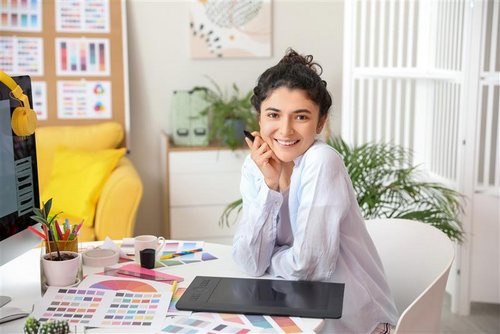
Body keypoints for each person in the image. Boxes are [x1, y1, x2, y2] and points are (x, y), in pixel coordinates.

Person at [232, 48, 399, 333]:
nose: (285, 131)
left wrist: (270, 259)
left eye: (300, 117)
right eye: (274, 114)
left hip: (354, 322)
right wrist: (270, 188)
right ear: (260, 119)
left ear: (320, 123)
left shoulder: (322, 161)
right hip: (299, 311)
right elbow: (249, 262)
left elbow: (309, 267)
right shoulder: (256, 167)